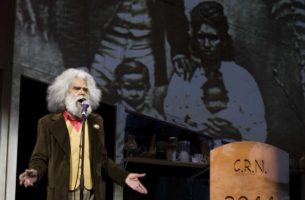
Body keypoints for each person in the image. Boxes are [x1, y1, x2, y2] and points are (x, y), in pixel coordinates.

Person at [19, 68, 148, 200]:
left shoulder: (96, 122)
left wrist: (124, 176)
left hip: (91, 193)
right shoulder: (48, 123)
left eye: (85, 90)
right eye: (77, 88)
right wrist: (35, 171)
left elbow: (102, 160)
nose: (82, 92)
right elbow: (40, 157)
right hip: (61, 193)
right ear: (65, 93)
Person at [54, 0, 192, 109]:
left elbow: (174, 8)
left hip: (145, 47)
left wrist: (179, 51)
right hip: (103, 47)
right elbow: (68, 12)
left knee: (142, 112)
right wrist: (77, 64)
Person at [164, 1, 267, 142]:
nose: (206, 44)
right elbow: (170, 122)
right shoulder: (183, 77)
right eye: (201, 37)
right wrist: (197, 130)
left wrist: (235, 132)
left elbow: (259, 130)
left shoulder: (242, 78)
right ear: (194, 38)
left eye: (213, 38)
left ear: (223, 40)